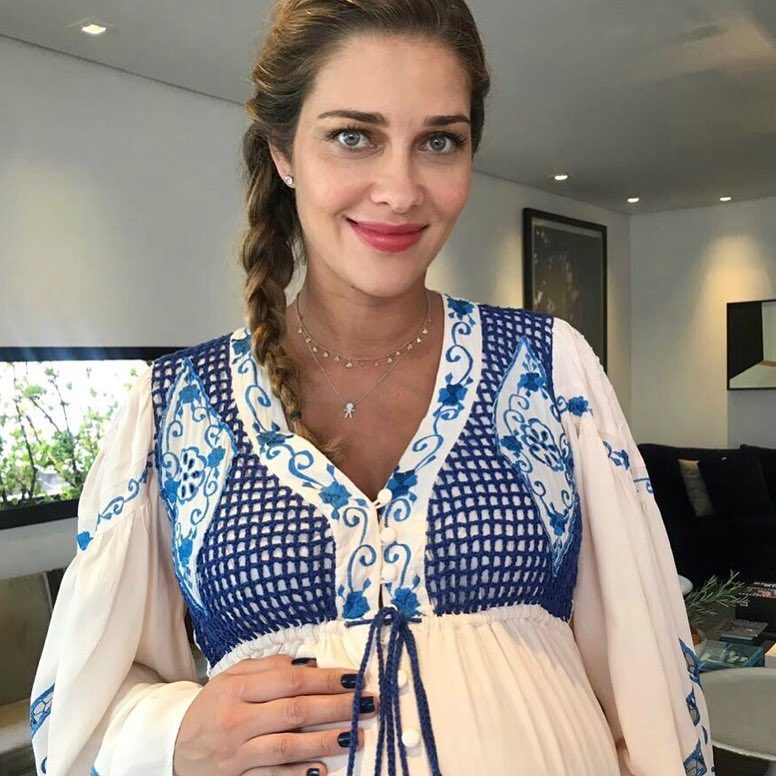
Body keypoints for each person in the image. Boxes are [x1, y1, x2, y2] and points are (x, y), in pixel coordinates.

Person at [30, 0, 715, 774]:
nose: (400, 189)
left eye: (440, 141)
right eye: (353, 136)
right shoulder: (172, 409)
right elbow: (79, 711)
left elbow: (646, 680)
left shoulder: (551, 369)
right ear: (284, 152)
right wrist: (174, 736)